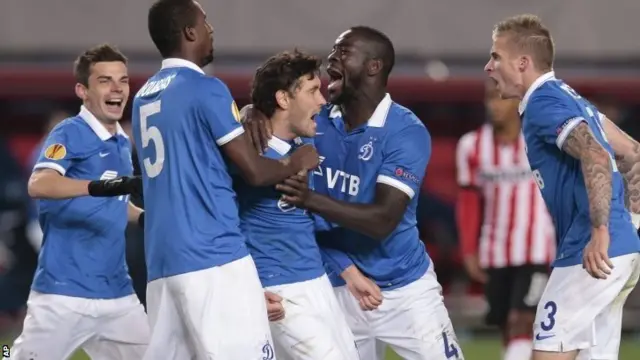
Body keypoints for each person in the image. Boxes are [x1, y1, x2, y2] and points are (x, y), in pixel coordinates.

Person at [244, 26, 463, 360]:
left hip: (401, 287)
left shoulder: (404, 131)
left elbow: (382, 220)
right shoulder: (317, 124)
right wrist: (252, 112)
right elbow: (280, 114)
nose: (331, 59)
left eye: (343, 52)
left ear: (373, 67)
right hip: (335, 284)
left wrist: (309, 198)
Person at [133, 1, 319, 359]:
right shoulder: (206, 89)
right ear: (189, 32)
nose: (211, 29)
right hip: (213, 259)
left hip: (161, 265)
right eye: (205, 23)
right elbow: (255, 170)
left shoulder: (143, 96)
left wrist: (247, 113)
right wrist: (296, 160)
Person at [485, 14, 640, 360]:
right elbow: (632, 152)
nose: (488, 66)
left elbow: (596, 155)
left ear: (522, 63)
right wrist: (632, 223)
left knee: (547, 351)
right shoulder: (571, 98)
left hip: (590, 251)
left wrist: (601, 230)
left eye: (496, 57)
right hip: (620, 249)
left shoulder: (543, 103)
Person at [6, 44, 149, 360]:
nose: (117, 88)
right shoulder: (68, 132)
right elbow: (39, 183)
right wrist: (100, 186)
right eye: (104, 80)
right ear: (82, 90)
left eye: (123, 80)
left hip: (117, 295)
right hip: (64, 294)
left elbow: (114, 200)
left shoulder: (122, 143)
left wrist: (143, 218)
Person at [236, 49, 360, 360]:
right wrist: (246, 289)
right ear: (283, 99)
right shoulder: (247, 158)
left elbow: (309, 221)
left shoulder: (306, 143)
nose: (322, 100)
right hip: (280, 292)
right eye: (312, 90)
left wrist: (347, 271)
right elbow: (222, 222)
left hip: (318, 283)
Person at [456, 79, 555, 360]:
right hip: (495, 250)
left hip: (536, 248)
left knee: (522, 319)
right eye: (490, 98)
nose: (494, 106)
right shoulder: (472, 146)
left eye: (501, 98)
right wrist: (468, 250)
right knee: (505, 325)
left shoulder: (539, 142)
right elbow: (469, 202)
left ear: (518, 101)